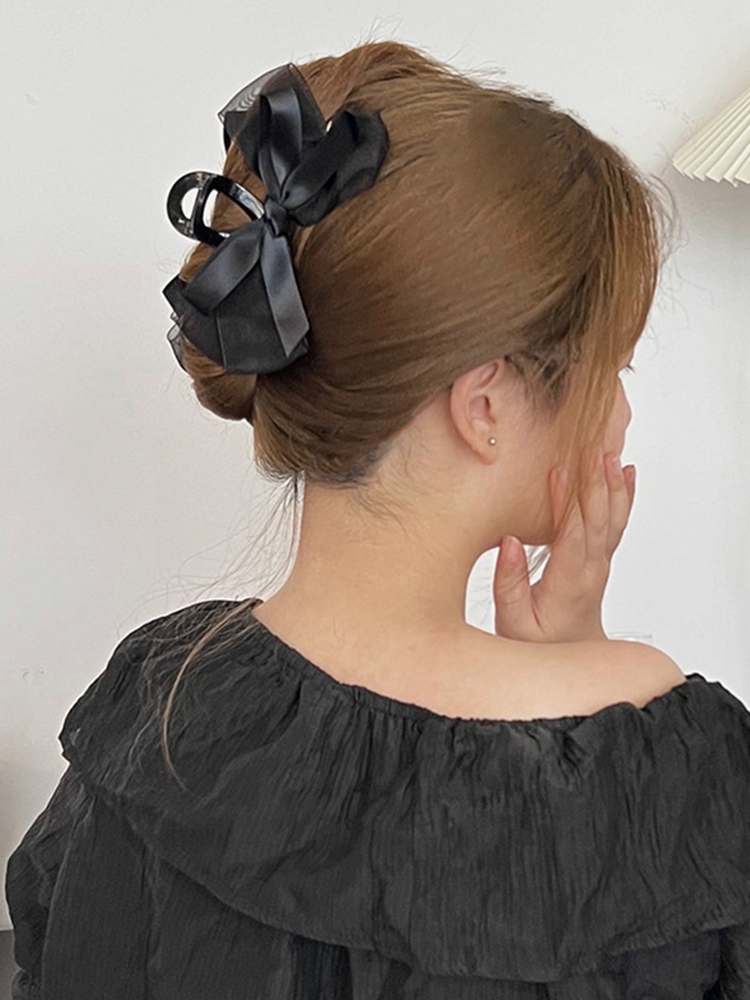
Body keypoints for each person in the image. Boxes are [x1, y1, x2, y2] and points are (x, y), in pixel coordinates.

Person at [6, 37, 750, 1000]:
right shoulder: (667, 764)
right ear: (486, 404)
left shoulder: (151, 711)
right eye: (615, 365)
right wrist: (589, 697)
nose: (621, 410)